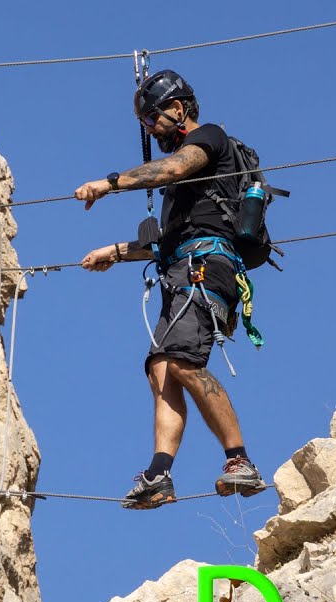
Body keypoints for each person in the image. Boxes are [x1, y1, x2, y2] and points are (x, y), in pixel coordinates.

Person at [73, 69, 266, 510]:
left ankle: (240, 460)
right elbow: (170, 240)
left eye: (153, 119)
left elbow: (174, 167)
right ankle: (159, 475)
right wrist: (116, 251)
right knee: (161, 367)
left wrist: (111, 182)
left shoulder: (210, 139)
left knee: (180, 360)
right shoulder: (185, 191)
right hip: (183, 267)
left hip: (206, 269)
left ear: (178, 109)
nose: (150, 130)